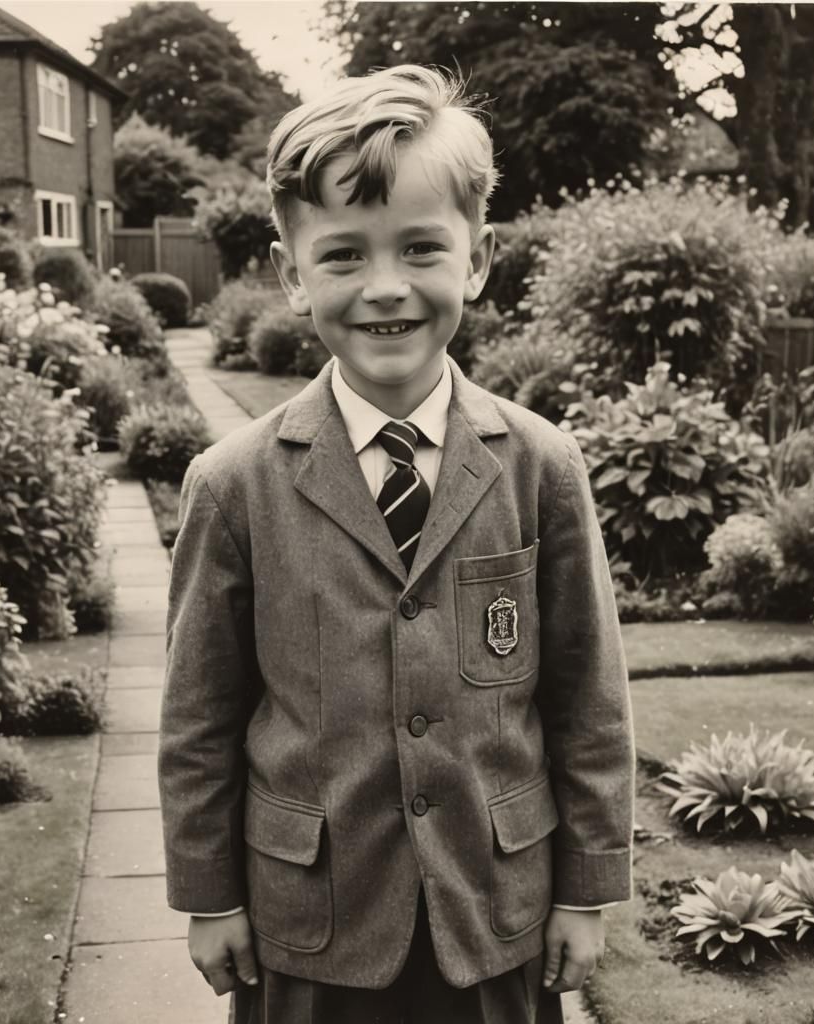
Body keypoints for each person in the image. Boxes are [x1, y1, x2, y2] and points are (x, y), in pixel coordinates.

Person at [158, 63, 635, 1024]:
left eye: (421, 248)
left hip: (494, 910)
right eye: (343, 256)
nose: (386, 289)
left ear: (478, 257)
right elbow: (200, 718)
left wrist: (586, 885)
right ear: (292, 273)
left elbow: (588, 696)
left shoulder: (541, 464)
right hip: (312, 919)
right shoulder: (234, 484)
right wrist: (207, 893)